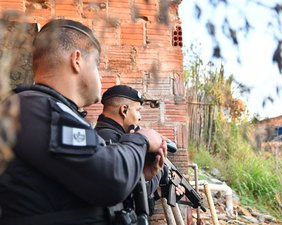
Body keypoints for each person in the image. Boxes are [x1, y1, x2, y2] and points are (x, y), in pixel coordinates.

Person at [0, 19, 167, 225]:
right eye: (96, 65)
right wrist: (140, 141)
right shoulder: (37, 109)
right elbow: (109, 180)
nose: (99, 76)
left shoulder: (48, 110)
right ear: (77, 60)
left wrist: (137, 171)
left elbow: (78, 189)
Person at [95, 85, 185, 222]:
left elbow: (130, 195)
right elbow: (125, 188)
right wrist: (159, 172)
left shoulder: (106, 136)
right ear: (124, 110)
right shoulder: (115, 141)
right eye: (138, 111)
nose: (140, 117)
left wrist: (158, 193)